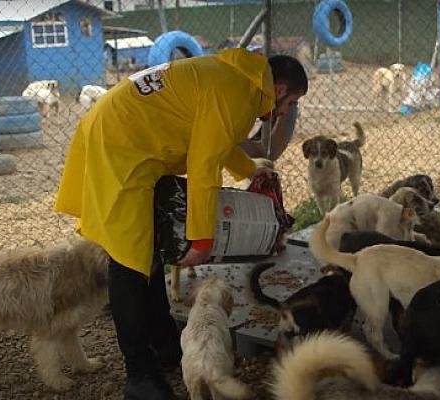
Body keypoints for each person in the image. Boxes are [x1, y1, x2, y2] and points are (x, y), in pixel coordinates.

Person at [54, 48, 308, 400]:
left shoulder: (236, 80)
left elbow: (213, 139)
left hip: (126, 133)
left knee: (148, 252)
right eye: (290, 102)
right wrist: (201, 239)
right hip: (122, 144)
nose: (284, 112)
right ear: (279, 90)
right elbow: (204, 168)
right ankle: (139, 376)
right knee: (128, 261)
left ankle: (166, 348)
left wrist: (250, 169)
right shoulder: (236, 93)